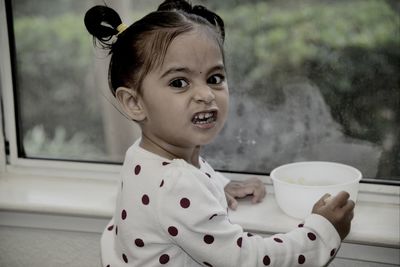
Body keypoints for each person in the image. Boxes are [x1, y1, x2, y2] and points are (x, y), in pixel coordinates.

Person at [84, 1, 355, 266]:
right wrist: (322, 231)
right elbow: (247, 259)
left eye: (214, 78)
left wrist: (219, 184)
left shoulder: (143, 155)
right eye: (179, 82)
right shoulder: (177, 185)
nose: (205, 94)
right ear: (134, 103)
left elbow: (182, 186)